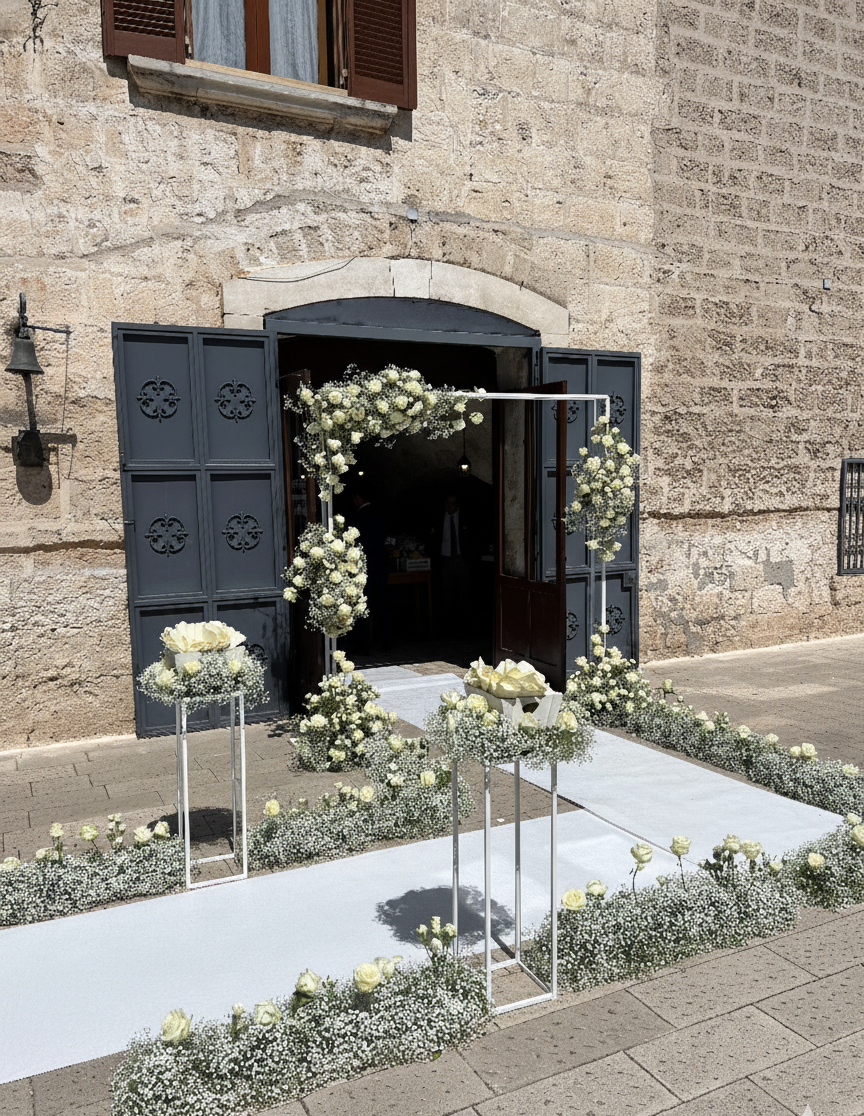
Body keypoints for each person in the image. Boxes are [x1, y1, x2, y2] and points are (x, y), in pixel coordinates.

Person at [346, 489, 389, 653]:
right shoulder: (380, 514)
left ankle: (364, 644)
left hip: (364, 566)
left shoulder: (357, 518)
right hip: (379, 565)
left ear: (357, 498)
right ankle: (386, 640)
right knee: (382, 606)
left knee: (364, 606)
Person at [430, 492, 476, 630]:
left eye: (453, 504)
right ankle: (449, 625)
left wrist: (470, 557)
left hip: (462, 559)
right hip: (445, 559)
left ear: (457, 504)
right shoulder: (439, 518)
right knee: (447, 592)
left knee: (465, 592)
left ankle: (465, 625)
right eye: (448, 504)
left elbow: (473, 538)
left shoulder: (466, 518)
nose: (450, 507)